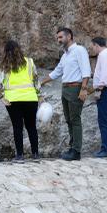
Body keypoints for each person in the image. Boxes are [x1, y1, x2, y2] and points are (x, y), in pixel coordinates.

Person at [41, 27, 91, 160]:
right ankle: (72, 147)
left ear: (69, 36)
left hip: (76, 88)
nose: (59, 40)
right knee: (69, 119)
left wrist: (83, 89)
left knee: (75, 119)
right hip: (66, 89)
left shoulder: (79, 50)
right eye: (57, 38)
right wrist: (41, 82)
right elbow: (57, 72)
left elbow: (86, 70)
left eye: (60, 37)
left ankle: (76, 151)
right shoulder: (65, 55)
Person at [0, 40, 40, 162]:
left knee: (17, 127)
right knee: (31, 126)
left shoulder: (4, 65)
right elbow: (36, 80)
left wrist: (1, 97)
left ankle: (20, 155)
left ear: (5, 51)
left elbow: (0, 83)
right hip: (30, 98)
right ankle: (35, 154)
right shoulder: (30, 62)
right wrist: (39, 95)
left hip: (12, 99)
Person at [89, 37, 107, 157]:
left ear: (96, 45)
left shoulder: (104, 55)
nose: (92, 49)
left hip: (106, 91)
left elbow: (104, 76)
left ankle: (106, 149)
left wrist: (97, 90)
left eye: (92, 47)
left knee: (104, 121)